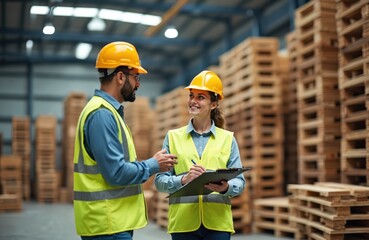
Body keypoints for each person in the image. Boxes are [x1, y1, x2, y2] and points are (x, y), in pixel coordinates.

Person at [73, 41, 177, 240]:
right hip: (107, 224)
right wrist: (154, 165)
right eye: (136, 77)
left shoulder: (108, 112)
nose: (138, 83)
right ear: (120, 77)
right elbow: (116, 174)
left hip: (111, 222)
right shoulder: (102, 115)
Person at [155, 70, 246, 240]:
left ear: (213, 104)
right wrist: (183, 180)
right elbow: (160, 182)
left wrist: (226, 188)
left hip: (218, 224)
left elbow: (240, 182)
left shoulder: (228, 139)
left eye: (200, 97)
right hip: (183, 224)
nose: (193, 101)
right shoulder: (173, 137)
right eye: (191, 96)